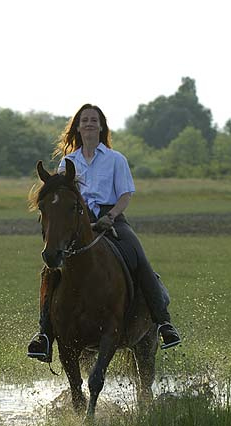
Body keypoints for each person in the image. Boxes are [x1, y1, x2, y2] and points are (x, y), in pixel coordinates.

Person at [28, 104, 181, 362]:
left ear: (101, 126)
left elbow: (125, 194)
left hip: (113, 220)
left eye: (93, 120)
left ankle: (164, 323)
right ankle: (44, 334)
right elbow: (64, 198)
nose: (89, 124)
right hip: (79, 223)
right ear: (77, 126)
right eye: (84, 120)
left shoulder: (115, 159)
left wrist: (110, 217)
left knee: (138, 258)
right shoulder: (69, 162)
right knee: (51, 269)